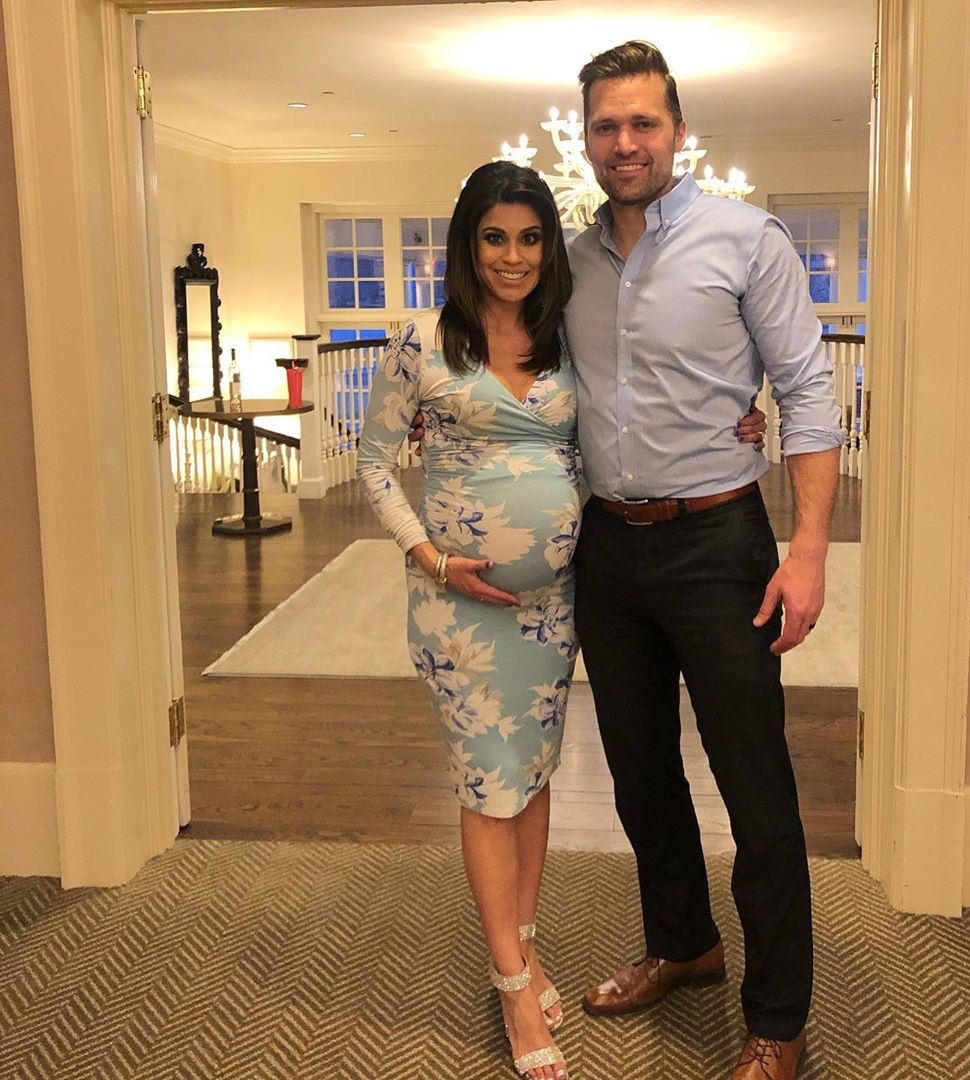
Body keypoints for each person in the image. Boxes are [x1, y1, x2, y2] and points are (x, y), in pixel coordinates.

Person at [359, 161, 766, 1079]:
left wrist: (739, 420)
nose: (513, 256)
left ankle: (526, 944)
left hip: (552, 610)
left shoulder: (563, 338)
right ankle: (512, 988)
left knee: (533, 777)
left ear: (550, 247)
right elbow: (375, 462)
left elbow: (634, 411)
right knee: (487, 788)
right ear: (467, 243)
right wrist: (428, 554)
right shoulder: (421, 342)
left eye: (531, 238)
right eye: (494, 238)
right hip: (458, 614)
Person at [564, 42, 843, 1080]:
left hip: (720, 544)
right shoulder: (569, 261)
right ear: (584, 137)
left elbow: (806, 392)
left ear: (678, 131)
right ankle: (683, 944)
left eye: (643, 122)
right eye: (606, 125)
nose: (625, 142)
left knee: (754, 785)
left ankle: (778, 1018)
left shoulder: (744, 239)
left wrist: (807, 552)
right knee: (639, 771)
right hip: (607, 548)